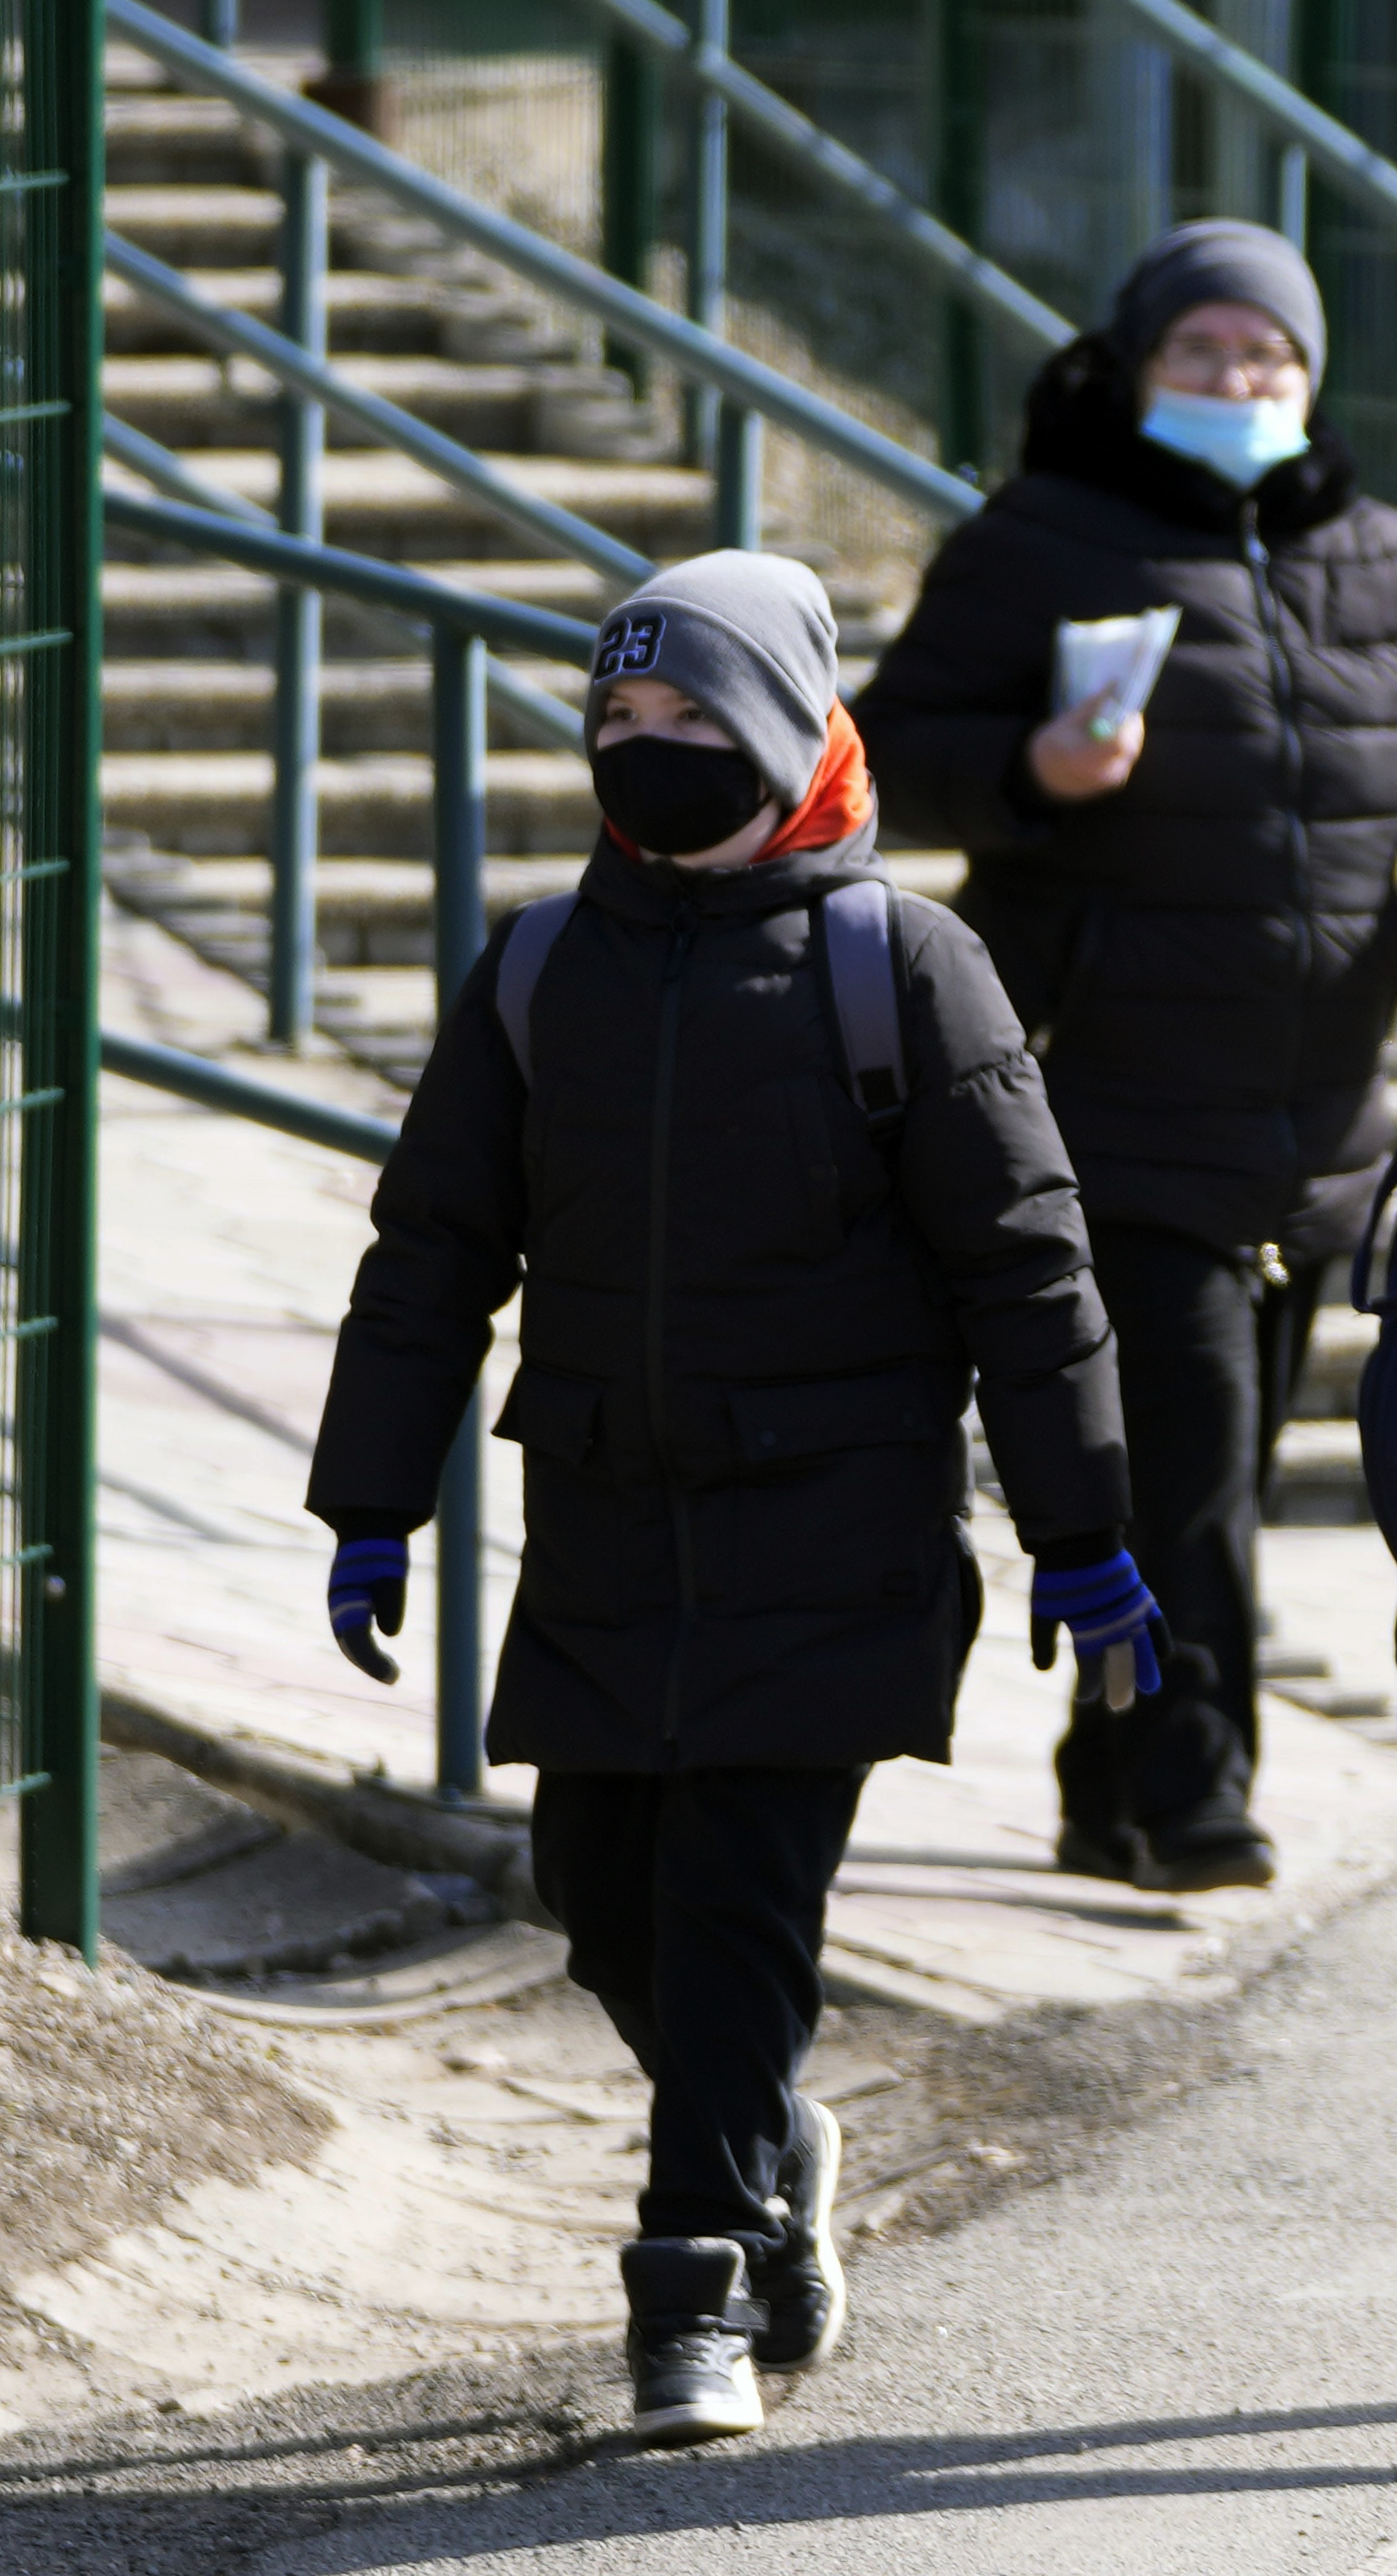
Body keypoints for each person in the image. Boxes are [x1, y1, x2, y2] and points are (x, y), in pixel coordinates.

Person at [307, 551, 1158, 2450]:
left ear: (786, 735)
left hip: (836, 1528)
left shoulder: (905, 966)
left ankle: (690, 2287)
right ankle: (773, 2141)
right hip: (610, 1515)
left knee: (736, 1905)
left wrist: (1083, 1528)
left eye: (694, 719)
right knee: (596, 1891)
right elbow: (437, 1246)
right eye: (622, 720)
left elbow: (1030, 1265)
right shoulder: (539, 967)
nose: (652, 751)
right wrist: (372, 1493)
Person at [866, 223, 1397, 1894]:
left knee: (1195, 1466)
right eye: (1202, 354)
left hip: (1320, 1125)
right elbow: (890, 755)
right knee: (1191, 1469)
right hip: (1113, 1101)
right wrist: (1037, 770)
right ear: (1135, 368)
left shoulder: (1386, 561)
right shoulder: (1045, 539)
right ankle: (1200, 1784)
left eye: (1268, 358)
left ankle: (1107, 1781)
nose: (1237, 384)